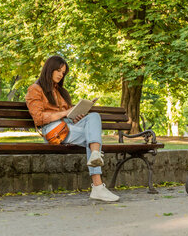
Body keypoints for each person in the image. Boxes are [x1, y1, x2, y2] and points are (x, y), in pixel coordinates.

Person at [25, 55, 120, 202]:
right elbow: (38, 118)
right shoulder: (35, 89)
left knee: (94, 116)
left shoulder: (61, 92)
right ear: (48, 69)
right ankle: (97, 186)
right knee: (93, 139)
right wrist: (65, 113)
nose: (60, 74)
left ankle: (95, 156)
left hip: (67, 126)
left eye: (63, 73)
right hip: (52, 131)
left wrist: (75, 115)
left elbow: (68, 115)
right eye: (57, 70)